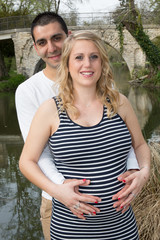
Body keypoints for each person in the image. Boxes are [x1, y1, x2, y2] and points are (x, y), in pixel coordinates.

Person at [19, 30, 150, 239]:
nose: (87, 64)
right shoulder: (50, 110)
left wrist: (144, 172)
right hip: (71, 229)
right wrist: (56, 190)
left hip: (122, 228)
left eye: (94, 56)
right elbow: (27, 161)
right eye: (78, 57)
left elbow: (141, 146)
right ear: (67, 64)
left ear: (102, 62)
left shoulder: (120, 102)